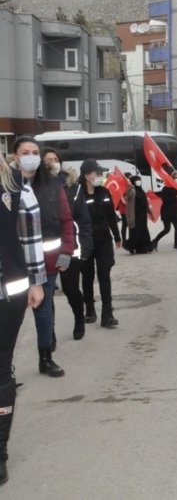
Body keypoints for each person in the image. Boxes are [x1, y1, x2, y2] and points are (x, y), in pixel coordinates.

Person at [0, 159, 47, 486]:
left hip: (7, 292)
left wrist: (36, 282)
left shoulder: (14, 181)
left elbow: (30, 233)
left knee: (1, 367)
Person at [12, 137, 74, 378]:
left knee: (44, 310)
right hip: (14, 264)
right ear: (16, 157)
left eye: (35, 151)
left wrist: (67, 251)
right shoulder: (8, 185)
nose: (31, 156)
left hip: (46, 262)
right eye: (25, 152)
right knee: (13, 315)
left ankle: (46, 358)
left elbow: (67, 220)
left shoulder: (51, 184)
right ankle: (5, 368)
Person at [44, 149, 93, 341]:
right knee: (47, 294)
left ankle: (79, 318)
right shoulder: (37, 186)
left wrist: (86, 247)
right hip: (46, 249)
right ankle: (50, 332)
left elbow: (84, 220)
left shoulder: (74, 187)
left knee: (71, 289)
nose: (54, 163)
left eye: (56, 159)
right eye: (49, 160)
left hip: (69, 247)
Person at [80, 159, 121, 328]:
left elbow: (111, 215)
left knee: (104, 274)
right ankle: (89, 308)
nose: (100, 176)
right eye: (97, 173)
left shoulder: (104, 192)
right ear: (87, 176)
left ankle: (107, 313)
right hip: (85, 242)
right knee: (88, 276)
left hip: (104, 240)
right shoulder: (78, 194)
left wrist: (117, 236)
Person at [123, 175, 153, 255]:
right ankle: (132, 247)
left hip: (142, 214)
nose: (139, 181)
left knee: (143, 230)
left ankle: (143, 248)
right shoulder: (132, 190)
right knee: (136, 231)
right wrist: (128, 187)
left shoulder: (141, 190)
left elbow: (145, 202)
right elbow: (127, 195)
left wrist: (150, 212)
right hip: (134, 214)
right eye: (137, 180)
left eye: (139, 180)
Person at [152, 181, 177, 251]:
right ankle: (155, 241)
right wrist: (176, 197)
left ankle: (176, 243)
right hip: (166, 211)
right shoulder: (165, 189)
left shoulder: (175, 189)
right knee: (166, 229)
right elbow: (166, 200)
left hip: (174, 210)